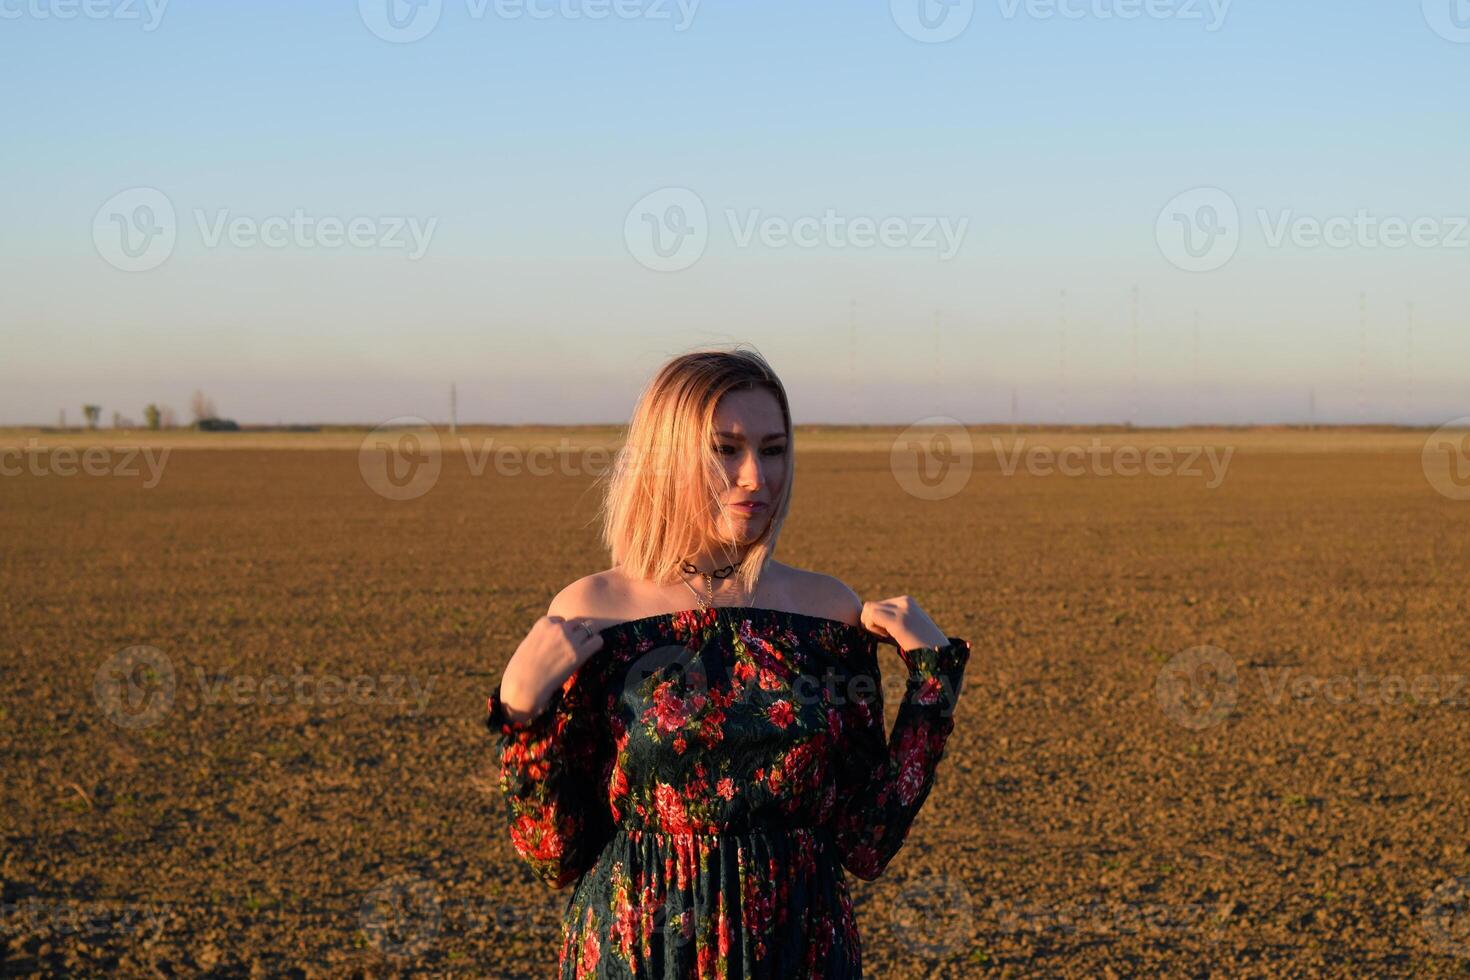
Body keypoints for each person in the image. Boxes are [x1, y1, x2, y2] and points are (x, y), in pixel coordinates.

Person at [485, 347, 971, 978]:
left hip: (801, 950)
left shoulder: (826, 611)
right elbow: (555, 855)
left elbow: (865, 840)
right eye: (725, 449)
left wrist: (933, 684)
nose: (755, 478)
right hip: (642, 954)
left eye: (773, 450)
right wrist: (523, 709)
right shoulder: (596, 611)